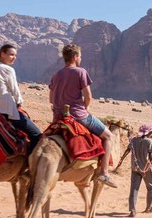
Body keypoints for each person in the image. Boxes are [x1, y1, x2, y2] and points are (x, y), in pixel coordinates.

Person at [48, 43, 118, 188]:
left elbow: (50, 99)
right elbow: (88, 96)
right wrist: (84, 109)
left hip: (58, 117)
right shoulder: (80, 72)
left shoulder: (56, 75)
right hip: (78, 115)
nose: (81, 59)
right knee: (108, 136)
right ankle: (104, 173)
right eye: (80, 56)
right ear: (75, 57)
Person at [0, 44, 42, 154]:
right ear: (2, 54)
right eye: (11, 54)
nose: (14, 57)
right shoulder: (8, 69)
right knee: (36, 134)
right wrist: (19, 102)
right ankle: (31, 165)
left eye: (15, 55)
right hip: (6, 109)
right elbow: (15, 91)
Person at [114, 124, 152, 217]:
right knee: (150, 187)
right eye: (151, 131)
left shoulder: (133, 140)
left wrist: (121, 160)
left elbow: (127, 150)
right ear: (148, 132)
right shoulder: (149, 141)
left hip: (135, 168)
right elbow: (151, 156)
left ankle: (132, 210)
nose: (151, 133)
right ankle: (149, 208)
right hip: (145, 169)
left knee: (134, 189)